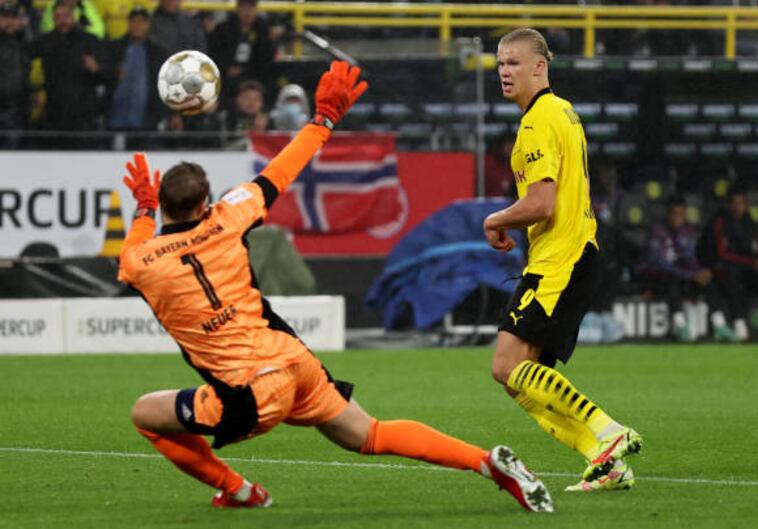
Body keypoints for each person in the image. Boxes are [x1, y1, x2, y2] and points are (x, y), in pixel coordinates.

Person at [117, 60, 554, 513]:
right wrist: (323, 119)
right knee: (369, 433)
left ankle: (240, 490)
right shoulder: (228, 219)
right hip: (294, 362)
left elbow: (135, 249)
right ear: (206, 203)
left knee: (147, 415)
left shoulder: (141, 261)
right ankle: (488, 463)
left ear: (163, 205)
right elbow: (279, 172)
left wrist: (144, 210)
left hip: (248, 392)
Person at [482, 28, 642, 493]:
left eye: (513, 63)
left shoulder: (537, 121)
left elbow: (542, 203)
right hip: (574, 253)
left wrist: (496, 219)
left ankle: (608, 433)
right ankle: (606, 462)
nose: (504, 72)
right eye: (499, 64)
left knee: (505, 367)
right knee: (521, 380)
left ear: (540, 66)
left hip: (560, 259)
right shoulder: (564, 112)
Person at [698, 184, 758, 342]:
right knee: (732, 273)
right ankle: (739, 323)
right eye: (735, 203)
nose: (739, 207)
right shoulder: (719, 221)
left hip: (744, 268)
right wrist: (753, 262)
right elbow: (722, 255)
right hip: (718, 269)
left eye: (742, 203)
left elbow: (756, 246)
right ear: (729, 205)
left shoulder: (748, 221)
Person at [640, 196, 735, 342]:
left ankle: (719, 324)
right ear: (667, 214)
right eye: (674, 214)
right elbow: (659, 263)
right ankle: (680, 325)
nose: (677, 218)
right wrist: (690, 275)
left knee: (708, 280)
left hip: (682, 278)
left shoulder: (688, 232)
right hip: (655, 278)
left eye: (681, 214)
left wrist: (700, 272)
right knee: (672, 278)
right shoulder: (657, 231)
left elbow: (690, 259)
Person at [30, 0, 107, 145]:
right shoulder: (44, 42)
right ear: (53, 19)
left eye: (65, 16)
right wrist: (34, 91)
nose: (62, 20)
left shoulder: (90, 41)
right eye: (57, 17)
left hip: (84, 116)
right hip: (53, 114)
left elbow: (108, 76)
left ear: (74, 17)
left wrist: (96, 69)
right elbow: (24, 65)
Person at [106, 6, 168, 133]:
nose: (137, 25)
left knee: (144, 153)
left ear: (148, 24)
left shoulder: (158, 52)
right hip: (117, 118)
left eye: (142, 21)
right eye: (134, 21)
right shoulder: (114, 48)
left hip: (148, 119)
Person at [208, 0, 277, 104]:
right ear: (238, 9)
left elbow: (266, 58)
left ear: (256, 10)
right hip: (227, 75)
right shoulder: (223, 29)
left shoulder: (263, 29)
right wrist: (227, 68)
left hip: (255, 74)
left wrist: (245, 70)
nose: (247, 13)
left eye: (251, 8)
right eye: (244, 8)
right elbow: (215, 54)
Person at [0, 2, 30, 148]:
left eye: (13, 18)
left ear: (20, 21)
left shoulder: (29, 43)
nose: (9, 22)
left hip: (17, 109)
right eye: (4, 18)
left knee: (14, 159)